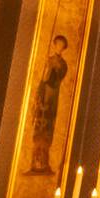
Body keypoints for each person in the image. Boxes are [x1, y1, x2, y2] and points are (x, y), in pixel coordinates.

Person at [29, 35, 69, 172]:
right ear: (54, 44)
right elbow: (42, 79)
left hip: (52, 97)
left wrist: (55, 67)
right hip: (43, 95)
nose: (59, 46)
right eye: (57, 44)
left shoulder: (62, 64)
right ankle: (34, 162)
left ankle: (44, 163)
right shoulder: (48, 60)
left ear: (63, 48)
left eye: (61, 45)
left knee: (47, 127)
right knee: (38, 127)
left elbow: (58, 78)